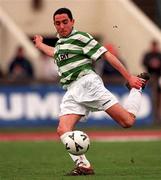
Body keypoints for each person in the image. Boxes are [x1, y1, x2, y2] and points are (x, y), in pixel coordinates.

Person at [33, 8, 150, 176]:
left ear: (73, 22)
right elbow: (53, 52)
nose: (61, 26)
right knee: (62, 129)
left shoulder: (81, 37)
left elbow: (107, 55)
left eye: (65, 22)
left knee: (127, 122)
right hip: (72, 90)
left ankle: (136, 89)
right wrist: (39, 44)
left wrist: (129, 77)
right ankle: (84, 166)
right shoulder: (60, 43)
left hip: (88, 84)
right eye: (57, 23)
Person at [142, 40, 161, 123]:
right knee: (151, 96)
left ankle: (157, 116)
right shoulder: (148, 55)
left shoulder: (159, 55)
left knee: (158, 98)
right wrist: (151, 63)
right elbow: (143, 62)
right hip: (150, 78)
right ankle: (154, 116)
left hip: (159, 77)